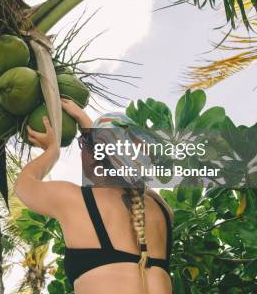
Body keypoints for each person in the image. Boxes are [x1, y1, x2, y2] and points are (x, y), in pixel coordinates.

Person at [14, 99, 173, 294]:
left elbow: (23, 185)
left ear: (93, 155)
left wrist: (52, 152)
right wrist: (89, 128)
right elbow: (128, 173)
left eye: (84, 146)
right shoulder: (161, 208)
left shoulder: (74, 200)